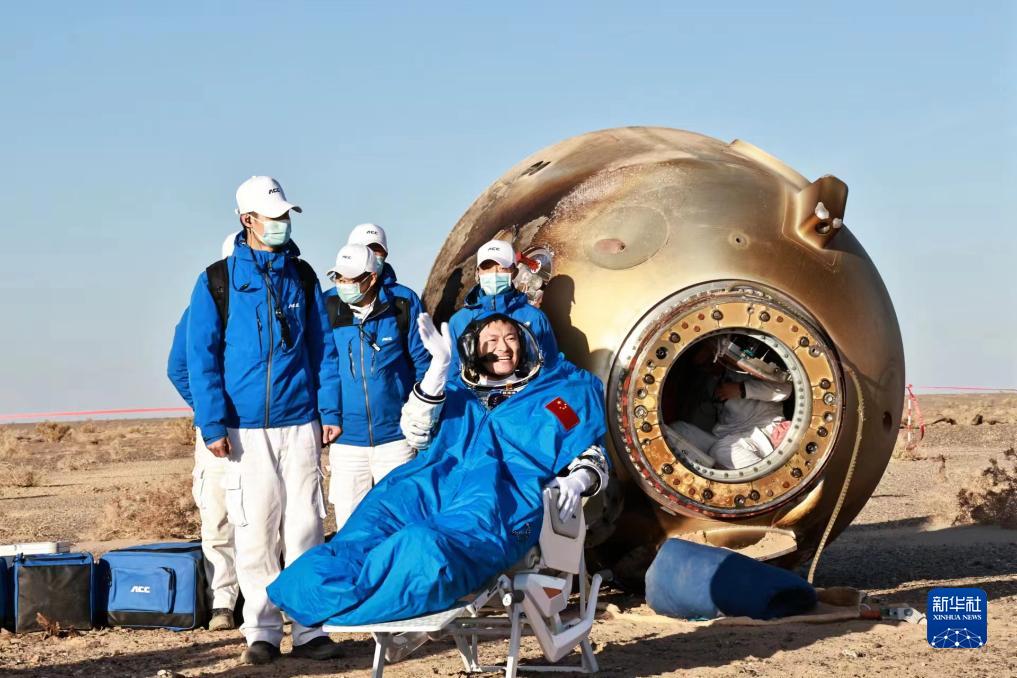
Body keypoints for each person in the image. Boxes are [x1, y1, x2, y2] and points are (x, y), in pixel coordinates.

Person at [266, 312, 609, 628]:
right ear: (473, 348)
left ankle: (358, 594)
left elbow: (589, 452)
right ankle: (321, 589)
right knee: (361, 537)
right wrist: (438, 368)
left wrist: (580, 479)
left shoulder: (555, 396)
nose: (503, 348)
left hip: (499, 497)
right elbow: (415, 430)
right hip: (426, 483)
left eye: (511, 339)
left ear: (525, 344)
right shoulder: (454, 390)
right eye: (491, 340)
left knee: (424, 545)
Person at [185, 175, 343, 664]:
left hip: (300, 424)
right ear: (247, 219)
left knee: (306, 528)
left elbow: (323, 348)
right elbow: (200, 358)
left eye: (285, 216)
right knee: (255, 532)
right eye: (273, 217)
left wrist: (329, 410)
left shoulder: (304, 276)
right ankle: (262, 632)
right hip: (243, 430)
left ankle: (310, 629)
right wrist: (212, 424)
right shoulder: (216, 281)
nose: (282, 224)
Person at [322, 242, 430, 528]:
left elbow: (422, 362)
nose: (343, 284)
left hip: (396, 438)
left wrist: (419, 415)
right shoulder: (327, 306)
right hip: (346, 440)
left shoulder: (402, 304)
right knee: (349, 525)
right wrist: (329, 415)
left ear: (371, 278)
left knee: (400, 523)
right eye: (338, 277)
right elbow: (325, 367)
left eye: (350, 279)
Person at [166, 231, 240, 632]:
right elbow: (179, 367)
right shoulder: (201, 308)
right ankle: (223, 602)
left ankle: (266, 598)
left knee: (268, 514)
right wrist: (209, 412)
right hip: (218, 430)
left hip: (263, 426)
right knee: (218, 514)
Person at [665, 336, 792, 470]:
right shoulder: (710, 386)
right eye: (702, 366)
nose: (708, 368)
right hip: (731, 436)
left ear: (715, 354)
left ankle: (765, 476)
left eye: (709, 361)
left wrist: (741, 389)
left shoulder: (746, 368)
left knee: (721, 451)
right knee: (678, 430)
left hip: (762, 432)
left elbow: (786, 389)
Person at [447, 239, 558, 373]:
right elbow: (454, 372)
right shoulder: (459, 321)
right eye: (487, 267)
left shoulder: (535, 318)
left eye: (502, 268)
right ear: (478, 272)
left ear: (514, 272)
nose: (494, 274)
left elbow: (551, 369)